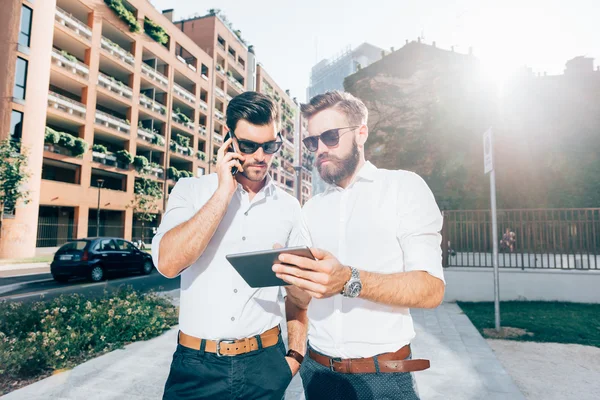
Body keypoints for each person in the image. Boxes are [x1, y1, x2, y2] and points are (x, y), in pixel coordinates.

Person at [272, 91, 446, 400]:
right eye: (313, 142)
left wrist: (347, 280)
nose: (320, 150)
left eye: (330, 137)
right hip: (318, 374)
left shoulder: (403, 188)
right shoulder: (310, 209)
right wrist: (290, 277)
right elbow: (302, 300)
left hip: (384, 379)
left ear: (361, 133)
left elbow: (430, 288)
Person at [152, 92, 308, 400]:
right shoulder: (191, 191)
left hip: (264, 364)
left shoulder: (289, 207)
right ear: (229, 142)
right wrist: (224, 191)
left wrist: (295, 356)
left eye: (270, 146)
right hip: (196, 367)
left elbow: (300, 299)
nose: (260, 156)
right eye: (248, 146)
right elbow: (168, 264)